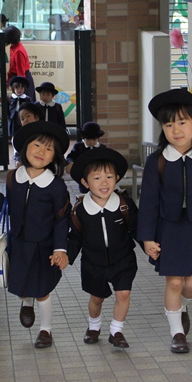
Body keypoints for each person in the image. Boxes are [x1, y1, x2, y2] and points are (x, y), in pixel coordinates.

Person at [137, 88, 192, 354]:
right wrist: (147, 238)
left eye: (182, 122)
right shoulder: (157, 161)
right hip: (168, 228)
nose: (175, 130)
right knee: (174, 282)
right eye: (168, 124)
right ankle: (177, 333)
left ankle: (182, 305)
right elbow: (148, 202)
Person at [0, 121, 71, 348]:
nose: (41, 152)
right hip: (18, 243)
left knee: (42, 291)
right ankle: (26, 302)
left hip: (43, 247)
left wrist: (60, 249)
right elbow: (9, 207)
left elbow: (62, 219)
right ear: (26, 147)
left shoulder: (56, 186)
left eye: (48, 149)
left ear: (55, 156)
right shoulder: (13, 178)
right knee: (21, 287)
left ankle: (45, 330)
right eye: (37, 145)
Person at [67, 147, 139, 349]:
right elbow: (75, 238)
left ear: (117, 178)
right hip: (93, 262)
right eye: (97, 178)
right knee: (97, 298)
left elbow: (137, 229)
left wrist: (151, 247)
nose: (104, 183)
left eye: (109, 177)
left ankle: (116, 331)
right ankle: (94, 326)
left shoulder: (124, 204)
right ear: (85, 182)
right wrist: (66, 256)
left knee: (123, 294)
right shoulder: (80, 210)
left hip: (123, 259)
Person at [65, 121, 107, 193]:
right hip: (83, 175)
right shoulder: (79, 147)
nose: (91, 142)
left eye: (93, 140)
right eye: (88, 139)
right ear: (84, 138)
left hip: (98, 174)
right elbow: (70, 156)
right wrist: (71, 162)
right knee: (85, 190)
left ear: (98, 139)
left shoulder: (102, 148)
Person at [5, 25, 35, 100]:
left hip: (21, 80)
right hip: (17, 78)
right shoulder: (13, 47)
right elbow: (12, 68)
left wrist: (20, 87)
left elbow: (20, 72)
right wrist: (8, 81)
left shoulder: (18, 51)